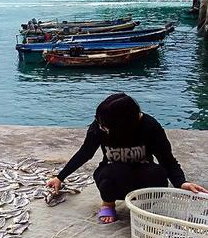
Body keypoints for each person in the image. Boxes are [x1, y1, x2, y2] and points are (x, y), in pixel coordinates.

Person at [46, 93, 207, 224]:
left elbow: (167, 159)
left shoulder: (150, 127)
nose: (100, 126)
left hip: (143, 175)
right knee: (113, 171)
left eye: (104, 125)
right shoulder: (99, 127)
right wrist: (60, 177)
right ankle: (108, 204)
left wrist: (181, 182)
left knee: (158, 172)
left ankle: (144, 206)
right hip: (114, 177)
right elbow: (85, 153)